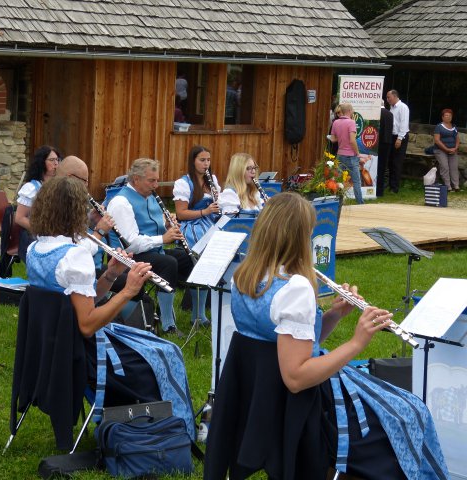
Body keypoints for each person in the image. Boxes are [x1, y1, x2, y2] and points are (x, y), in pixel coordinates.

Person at [227, 191, 448, 479]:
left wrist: (334, 314)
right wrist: (357, 342)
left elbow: (286, 343)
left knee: (403, 408)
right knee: (410, 412)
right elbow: (296, 377)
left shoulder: (243, 277)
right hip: (305, 403)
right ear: (298, 237)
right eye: (309, 232)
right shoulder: (295, 289)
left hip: (264, 393)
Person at [26, 175, 150, 336]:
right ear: (76, 212)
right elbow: (87, 326)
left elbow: (81, 302)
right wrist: (128, 291)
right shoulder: (75, 256)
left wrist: (110, 275)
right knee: (163, 348)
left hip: (46, 337)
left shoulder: (34, 249)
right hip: (73, 343)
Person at [107, 158, 194, 337]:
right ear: (136, 179)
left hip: (151, 251)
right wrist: (163, 238)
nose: (156, 185)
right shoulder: (121, 202)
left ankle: (197, 316)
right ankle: (168, 324)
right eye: (151, 181)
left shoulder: (150, 197)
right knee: (168, 263)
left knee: (188, 258)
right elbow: (130, 243)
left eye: (157, 180)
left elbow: (154, 227)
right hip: (125, 258)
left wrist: (167, 226)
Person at [173, 145, 220, 326]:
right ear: (193, 162)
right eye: (202, 160)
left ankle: (201, 314)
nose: (206, 164)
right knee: (200, 265)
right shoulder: (184, 183)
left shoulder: (212, 180)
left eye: (208, 160)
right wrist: (205, 211)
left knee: (212, 264)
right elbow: (181, 214)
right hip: (193, 226)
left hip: (211, 222)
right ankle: (197, 314)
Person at [14, 145, 60, 263]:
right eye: (52, 160)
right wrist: (43, 231)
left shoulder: (58, 186)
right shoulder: (31, 188)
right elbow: (19, 218)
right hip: (34, 238)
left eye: (57, 160)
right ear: (42, 162)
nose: (56, 163)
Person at [330, 103, 363, 204]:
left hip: (340, 154)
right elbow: (352, 141)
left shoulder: (335, 122)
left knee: (338, 180)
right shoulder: (351, 122)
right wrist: (358, 153)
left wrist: (341, 137)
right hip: (351, 156)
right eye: (352, 110)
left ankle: (336, 202)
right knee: (356, 181)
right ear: (349, 111)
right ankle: (360, 203)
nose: (353, 112)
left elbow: (333, 139)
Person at [386, 89, 410, 194]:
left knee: (397, 162)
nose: (387, 100)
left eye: (389, 97)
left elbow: (403, 123)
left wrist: (399, 138)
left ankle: (395, 187)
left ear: (395, 96)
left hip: (400, 136)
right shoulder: (391, 108)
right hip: (392, 136)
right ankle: (391, 185)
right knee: (391, 161)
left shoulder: (403, 107)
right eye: (387, 98)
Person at [433, 108, 461, 192]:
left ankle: (456, 186)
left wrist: (455, 148)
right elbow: (437, 140)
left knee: (454, 167)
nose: (448, 117)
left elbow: (457, 139)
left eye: (450, 115)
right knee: (445, 167)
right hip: (440, 150)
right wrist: (447, 149)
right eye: (446, 115)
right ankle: (447, 186)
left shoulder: (454, 127)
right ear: (442, 117)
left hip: (452, 150)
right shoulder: (439, 127)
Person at [377, 100, 393, 197]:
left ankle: (374, 188)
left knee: (376, 166)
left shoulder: (377, 114)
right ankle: (380, 191)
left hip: (378, 143)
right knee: (383, 167)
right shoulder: (390, 114)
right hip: (387, 142)